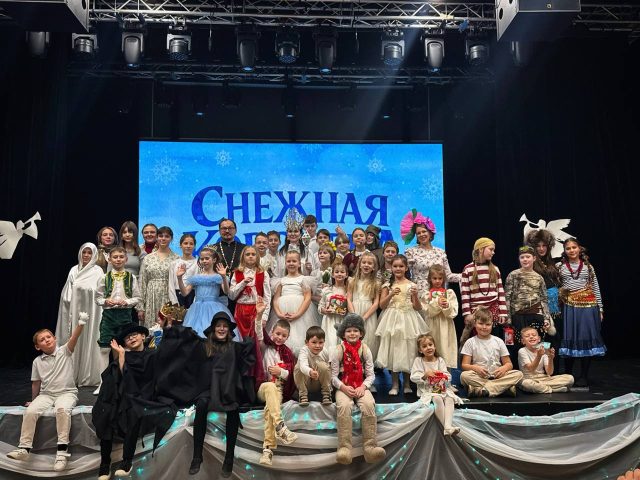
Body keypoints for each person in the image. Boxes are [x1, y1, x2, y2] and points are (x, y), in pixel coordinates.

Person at [6, 319, 86, 471]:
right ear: (37, 347)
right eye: (42, 340)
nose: (47, 340)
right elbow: (36, 383)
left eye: (49, 337)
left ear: (55, 338)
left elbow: (74, 338)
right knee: (30, 411)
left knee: (62, 410)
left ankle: (61, 452)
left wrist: (81, 324)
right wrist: (34, 400)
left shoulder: (64, 351)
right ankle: (24, 448)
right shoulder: (37, 361)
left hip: (67, 393)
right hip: (46, 394)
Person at [190, 312, 256, 477]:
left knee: (233, 410)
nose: (221, 329)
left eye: (225, 326)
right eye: (218, 326)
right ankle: (197, 456)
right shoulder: (205, 346)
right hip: (209, 389)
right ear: (213, 328)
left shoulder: (235, 347)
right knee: (201, 405)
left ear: (229, 330)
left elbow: (250, 349)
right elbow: (186, 347)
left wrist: (259, 318)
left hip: (228, 389)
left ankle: (229, 457)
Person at [93, 323, 155, 479]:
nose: (131, 338)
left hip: (143, 398)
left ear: (143, 336)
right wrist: (121, 356)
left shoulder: (152, 355)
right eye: (127, 338)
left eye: (134, 334)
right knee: (107, 413)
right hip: (123, 396)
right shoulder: (124, 356)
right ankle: (105, 463)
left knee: (133, 412)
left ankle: (127, 461)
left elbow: (149, 381)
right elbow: (117, 381)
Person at [331, 314, 386, 465]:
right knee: (344, 406)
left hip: (360, 385)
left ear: (361, 333)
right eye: (349, 331)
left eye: (355, 330)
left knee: (368, 404)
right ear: (343, 334)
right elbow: (333, 376)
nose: (352, 333)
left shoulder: (365, 350)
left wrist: (363, 387)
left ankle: (370, 447)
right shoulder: (338, 350)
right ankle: (344, 448)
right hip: (344, 385)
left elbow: (370, 374)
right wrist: (343, 387)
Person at [376, 254, 428, 395]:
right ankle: (394, 384)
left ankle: (406, 383)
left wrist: (415, 296)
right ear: (391, 268)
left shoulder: (412, 285)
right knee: (394, 349)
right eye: (395, 266)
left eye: (401, 266)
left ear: (406, 268)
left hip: (408, 319)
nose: (398, 268)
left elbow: (417, 307)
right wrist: (391, 294)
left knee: (408, 350)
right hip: (392, 319)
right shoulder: (387, 285)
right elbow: (382, 305)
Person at [557, 238, 605, 387]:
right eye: (568, 248)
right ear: (564, 251)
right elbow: (556, 287)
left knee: (585, 338)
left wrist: (600, 308)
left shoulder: (588, 267)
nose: (571, 250)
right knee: (570, 338)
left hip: (588, 307)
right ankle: (568, 375)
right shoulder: (560, 267)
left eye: (574, 247)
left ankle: (583, 376)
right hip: (570, 307)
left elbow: (595, 287)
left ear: (579, 249)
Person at [55, 242, 104, 387]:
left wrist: (87, 290)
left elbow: (100, 292)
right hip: (74, 310)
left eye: (90, 253)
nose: (86, 255)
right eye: (84, 252)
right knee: (74, 338)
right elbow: (67, 292)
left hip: (92, 311)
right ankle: (71, 373)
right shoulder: (73, 270)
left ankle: (87, 373)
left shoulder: (98, 271)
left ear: (94, 255)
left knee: (89, 337)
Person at [95, 246, 141, 393]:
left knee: (124, 347)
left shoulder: (131, 277)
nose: (118, 259)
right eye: (115, 257)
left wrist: (126, 302)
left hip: (125, 316)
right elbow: (97, 298)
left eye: (121, 257)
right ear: (109, 259)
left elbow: (137, 298)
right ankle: (103, 383)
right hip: (109, 316)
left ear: (126, 259)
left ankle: (123, 380)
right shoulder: (104, 277)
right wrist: (105, 301)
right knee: (104, 348)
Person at [254, 317, 298, 466]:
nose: (280, 337)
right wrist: (259, 316)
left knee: (270, 409)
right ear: (272, 332)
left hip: (278, 389)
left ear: (288, 337)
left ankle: (267, 451)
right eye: (277, 334)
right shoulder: (265, 346)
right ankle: (281, 427)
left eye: (284, 335)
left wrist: (281, 372)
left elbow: (291, 375)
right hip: (263, 387)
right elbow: (258, 333)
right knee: (270, 387)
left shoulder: (288, 353)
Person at [504, 246, 553, 368]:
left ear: (534, 258)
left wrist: (546, 318)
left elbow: (544, 299)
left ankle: (542, 370)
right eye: (522, 257)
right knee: (516, 345)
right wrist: (508, 318)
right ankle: (518, 372)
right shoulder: (513, 275)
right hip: (518, 315)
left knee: (539, 343)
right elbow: (507, 297)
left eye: (528, 257)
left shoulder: (539, 277)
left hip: (535, 314)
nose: (525, 259)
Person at [229, 245, 271, 385]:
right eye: (248, 254)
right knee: (240, 343)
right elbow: (231, 295)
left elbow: (267, 297)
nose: (251, 256)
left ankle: (256, 378)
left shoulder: (263, 273)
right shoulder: (237, 273)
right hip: (240, 312)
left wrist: (264, 316)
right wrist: (242, 283)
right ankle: (240, 377)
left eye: (253, 254)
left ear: (257, 257)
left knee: (257, 344)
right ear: (243, 257)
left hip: (256, 311)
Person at [460, 307, 523, 397]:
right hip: (479, 376)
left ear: (492, 324)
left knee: (518, 374)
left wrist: (503, 368)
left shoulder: (498, 341)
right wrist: (475, 368)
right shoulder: (470, 342)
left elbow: (509, 364)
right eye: (480, 324)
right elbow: (464, 365)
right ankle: (502, 388)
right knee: (464, 376)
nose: (484, 327)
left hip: (497, 376)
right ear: (475, 323)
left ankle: (483, 390)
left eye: (488, 324)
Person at [410, 334, 463, 435]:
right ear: (420, 350)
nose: (428, 347)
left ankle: (448, 426)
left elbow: (448, 376)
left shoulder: (440, 360)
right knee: (437, 399)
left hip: (441, 388)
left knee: (450, 398)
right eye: (424, 346)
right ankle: (446, 427)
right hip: (428, 389)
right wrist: (425, 375)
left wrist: (442, 375)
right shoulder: (419, 361)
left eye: (430, 345)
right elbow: (413, 377)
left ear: (434, 346)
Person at [525, 228, 563, 371]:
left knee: (555, 342)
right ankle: (543, 372)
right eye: (538, 246)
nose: (541, 249)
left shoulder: (551, 262)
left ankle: (554, 371)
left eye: (544, 245)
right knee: (543, 341)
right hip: (541, 310)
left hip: (555, 309)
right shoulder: (531, 263)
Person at [460, 237, 508, 345]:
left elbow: (500, 292)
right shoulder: (468, 269)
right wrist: (467, 314)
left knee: (493, 341)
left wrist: (503, 312)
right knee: (476, 343)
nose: (493, 252)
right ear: (481, 249)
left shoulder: (495, 269)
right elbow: (465, 294)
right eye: (491, 249)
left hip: (493, 311)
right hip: (476, 313)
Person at [179, 246, 233, 338]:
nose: (204, 261)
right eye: (202, 259)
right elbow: (184, 293)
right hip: (197, 309)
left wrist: (224, 277)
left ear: (214, 260)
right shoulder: (196, 277)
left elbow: (226, 291)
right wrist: (179, 278)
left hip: (214, 308)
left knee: (212, 332)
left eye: (207, 258)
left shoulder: (218, 276)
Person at [270, 250, 317, 355]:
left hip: (301, 314)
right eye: (288, 261)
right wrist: (279, 313)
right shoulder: (281, 281)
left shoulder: (304, 279)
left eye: (294, 261)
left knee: (299, 338)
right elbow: (276, 299)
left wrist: (298, 314)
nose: (291, 263)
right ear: (285, 263)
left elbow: (307, 298)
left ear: (299, 263)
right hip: (283, 314)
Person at [402, 210, 460, 293]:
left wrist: (466, 275)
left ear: (430, 233)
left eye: (424, 231)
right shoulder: (411, 252)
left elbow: (448, 276)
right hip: (419, 294)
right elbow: (404, 274)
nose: (421, 234)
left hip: (438, 294)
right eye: (418, 233)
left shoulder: (440, 252)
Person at [137, 226, 179, 327]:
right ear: (157, 238)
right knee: (151, 329)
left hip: (169, 297)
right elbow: (142, 282)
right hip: (151, 297)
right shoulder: (148, 258)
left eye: (167, 236)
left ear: (171, 238)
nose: (163, 238)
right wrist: (140, 307)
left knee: (168, 329)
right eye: (160, 236)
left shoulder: (176, 258)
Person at [421, 264, 459, 369]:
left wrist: (447, 306)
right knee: (433, 347)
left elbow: (453, 312)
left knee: (446, 348)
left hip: (446, 325)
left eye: (440, 278)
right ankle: (432, 374)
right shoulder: (427, 295)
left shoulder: (449, 293)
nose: (437, 281)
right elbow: (427, 311)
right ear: (430, 279)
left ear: (444, 279)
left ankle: (447, 375)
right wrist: (437, 304)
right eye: (434, 278)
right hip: (432, 325)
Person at [347, 251, 381, 366]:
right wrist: (354, 315)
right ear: (360, 265)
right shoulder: (352, 281)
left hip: (368, 315)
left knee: (368, 339)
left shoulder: (376, 283)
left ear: (374, 267)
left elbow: (375, 303)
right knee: (353, 338)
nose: (366, 265)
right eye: (364, 262)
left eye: (370, 263)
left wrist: (364, 317)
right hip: (354, 312)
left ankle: (366, 368)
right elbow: (349, 299)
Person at [518, 326, 574, 393]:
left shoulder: (543, 349)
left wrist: (550, 358)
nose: (531, 337)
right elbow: (531, 369)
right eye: (527, 336)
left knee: (570, 378)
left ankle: (543, 388)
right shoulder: (522, 351)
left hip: (544, 378)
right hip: (530, 379)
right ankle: (552, 389)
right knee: (527, 384)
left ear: (539, 339)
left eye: (534, 335)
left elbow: (549, 372)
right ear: (523, 341)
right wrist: (539, 356)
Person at [294, 326, 332, 406]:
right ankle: (303, 395)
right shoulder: (304, 350)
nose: (317, 346)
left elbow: (328, 370)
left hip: (318, 382)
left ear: (324, 342)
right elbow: (303, 366)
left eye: (320, 342)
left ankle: (326, 394)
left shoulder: (325, 351)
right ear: (307, 342)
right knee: (299, 367)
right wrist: (310, 372)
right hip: (306, 382)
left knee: (324, 366)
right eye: (314, 342)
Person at [276, 209, 317, 278]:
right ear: (287, 234)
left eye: (295, 231)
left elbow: (314, 274)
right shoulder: (281, 252)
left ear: (300, 234)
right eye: (290, 231)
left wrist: (310, 270)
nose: (293, 234)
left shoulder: (307, 251)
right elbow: (278, 273)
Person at [319, 261, 349, 348]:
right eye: (336, 272)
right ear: (332, 275)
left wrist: (346, 311)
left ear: (346, 275)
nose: (339, 274)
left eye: (342, 272)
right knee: (330, 341)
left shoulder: (348, 291)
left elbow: (351, 306)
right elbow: (320, 306)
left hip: (343, 320)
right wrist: (325, 310)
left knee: (342, 343)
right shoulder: (327, 290)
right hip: (329, 320)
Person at [168, 233, 197, 308]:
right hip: (177, 296)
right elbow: (171, 285)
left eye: (191, 244)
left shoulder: (198, 263)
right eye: (185, 243)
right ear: (180, 245)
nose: (188, 246)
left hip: (193, 296)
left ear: (194, 246)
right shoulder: (174, 264)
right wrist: (174, 302)